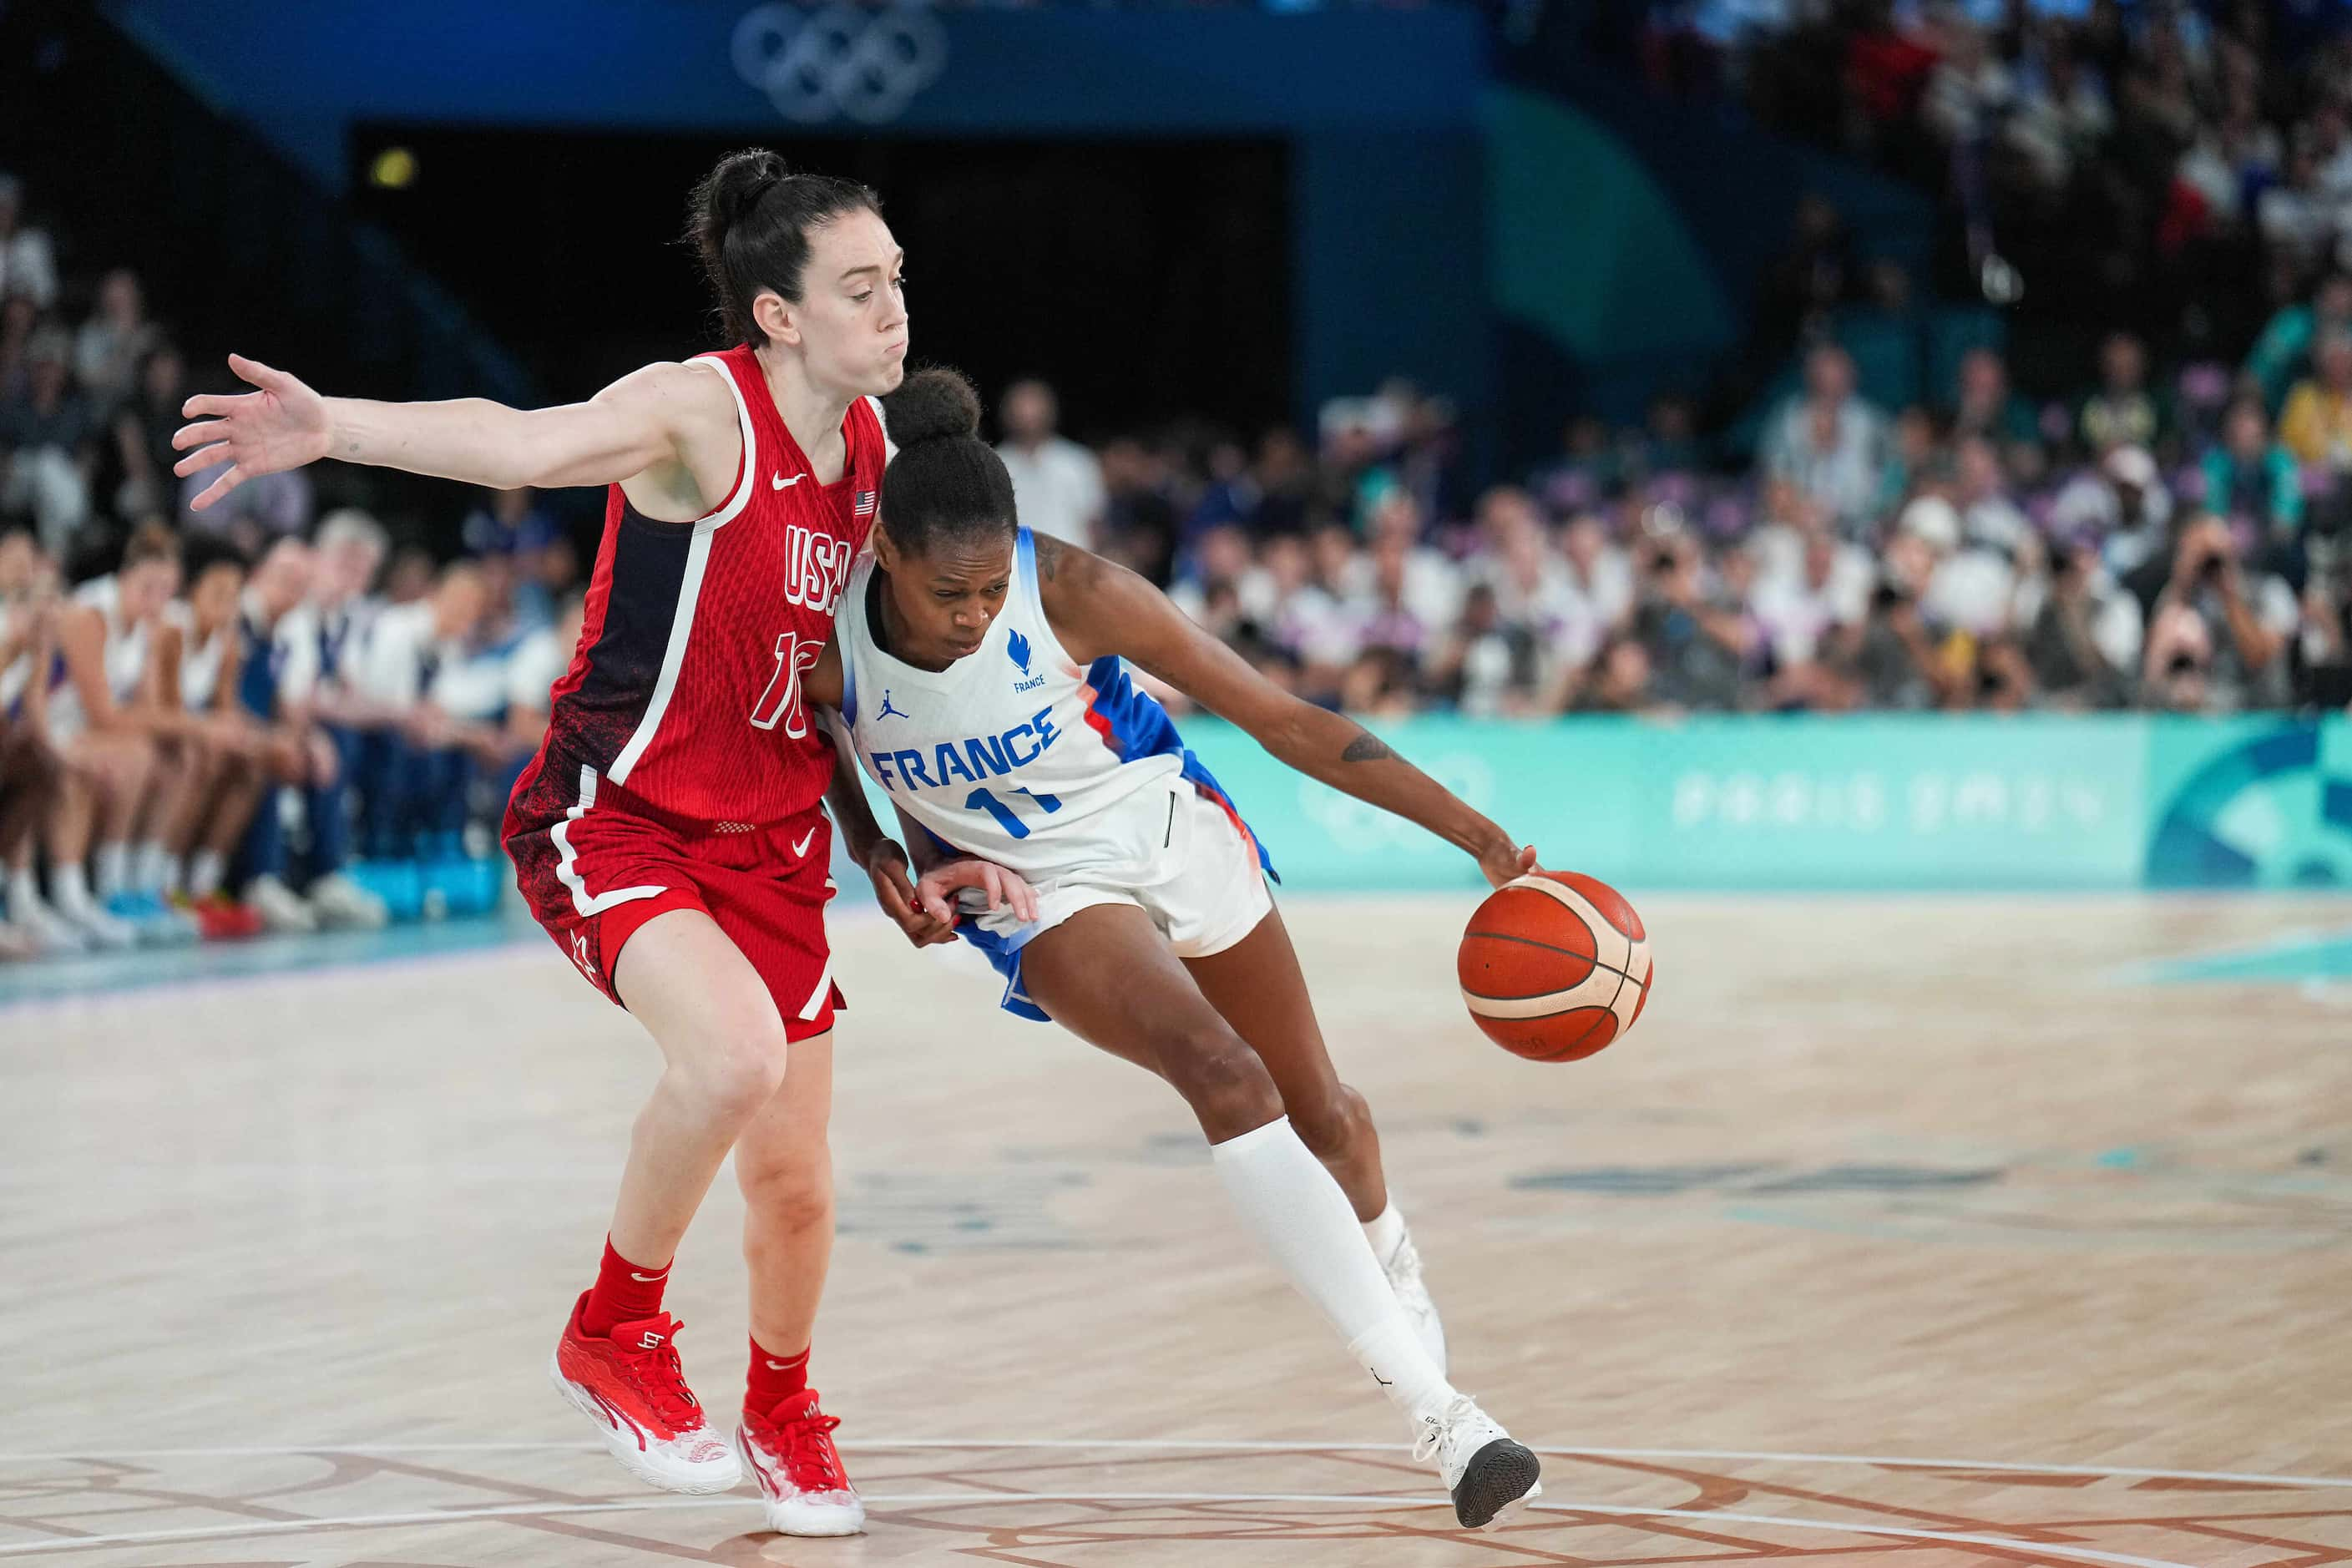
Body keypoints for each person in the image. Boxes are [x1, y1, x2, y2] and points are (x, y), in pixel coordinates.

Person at [170, 149, 930, 1538]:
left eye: (898, 283)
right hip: (620, 814)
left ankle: (783, 1406)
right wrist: (329, 423)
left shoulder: (874, 456)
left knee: (799, 1182)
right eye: (861, 289)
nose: (895, 312)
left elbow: (827, 683)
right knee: (734, 1059)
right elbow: (517, 441)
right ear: (775, 314)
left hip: (774, 842)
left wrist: (888, 841)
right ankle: (615, 1329)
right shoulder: (699, 413)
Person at [802, 368, 1546, 1533]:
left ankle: (1394, 1276)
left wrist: (1475, 833)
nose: (977, 612)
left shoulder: (1080, 590)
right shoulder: (830, 643)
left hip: (1157, 815)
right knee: (1222, 1073)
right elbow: (829, 749)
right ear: (884, 552)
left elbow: (1284, 718)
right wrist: (879, 848)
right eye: (953, 591)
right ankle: (1446, 1415)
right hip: (1040, 889)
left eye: (995, 588)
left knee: (1327, 1115)